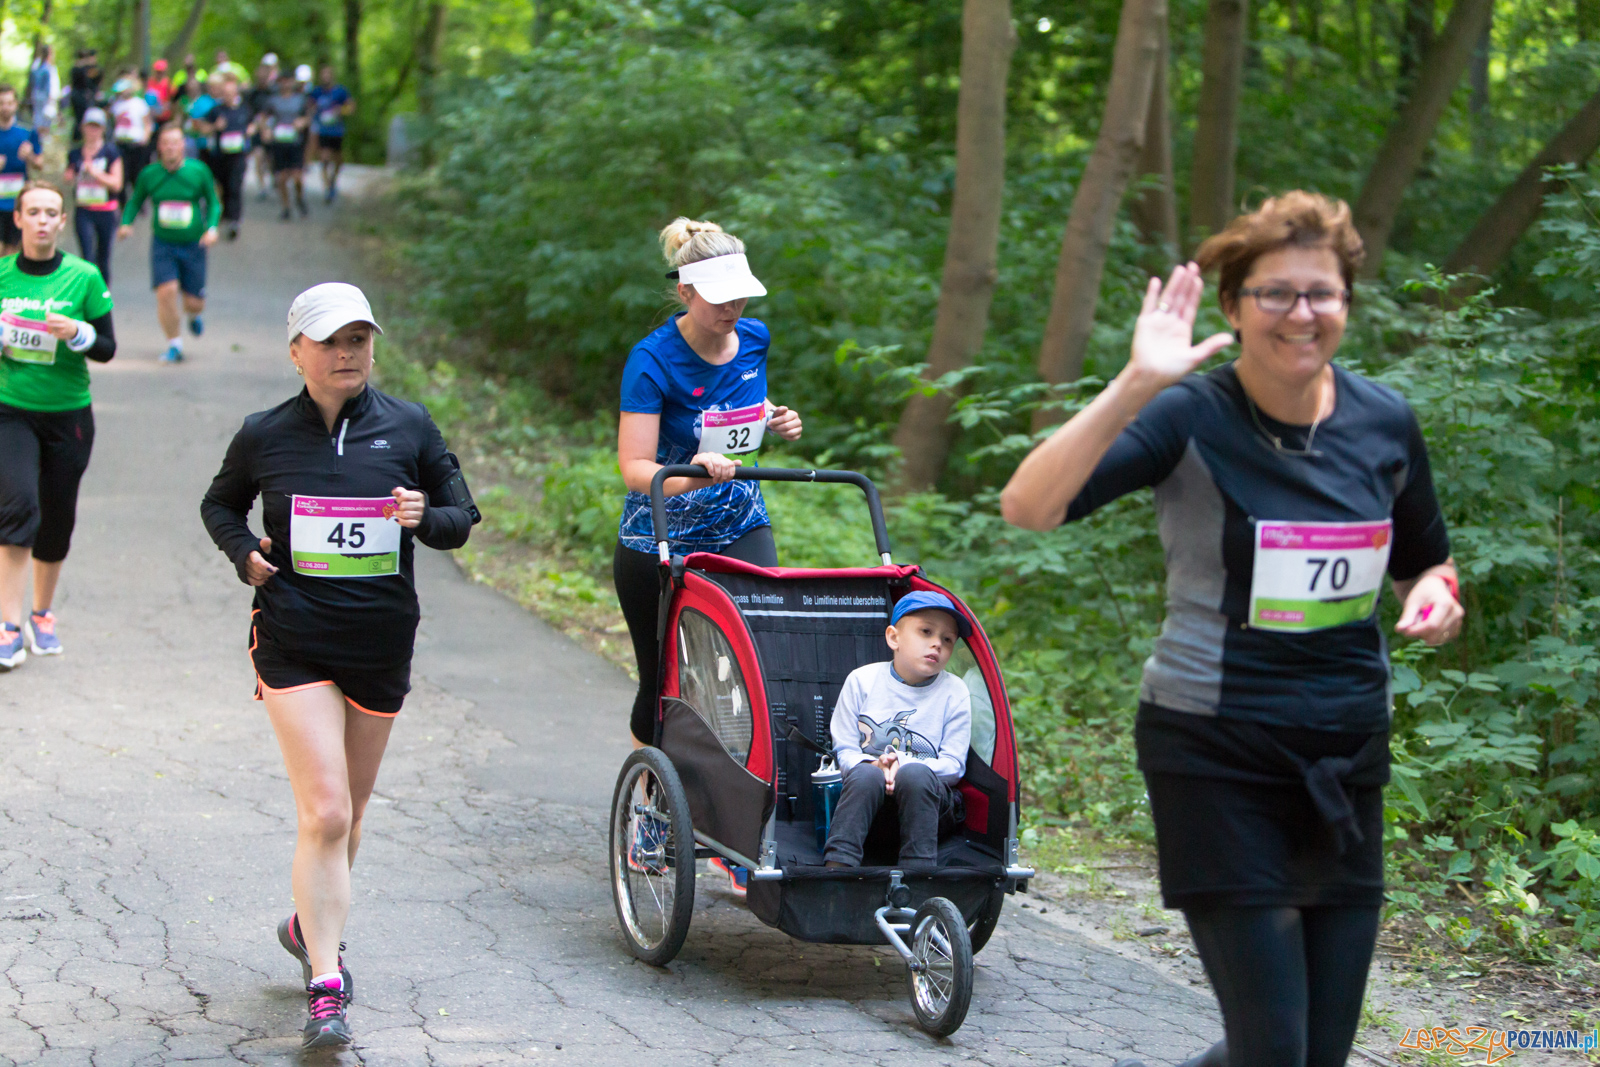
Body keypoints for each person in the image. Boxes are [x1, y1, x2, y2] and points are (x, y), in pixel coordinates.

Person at [1000, 191, 1464, 1067]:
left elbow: (1425, 564)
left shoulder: (1385, 421)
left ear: (1347, 303)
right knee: (1275, 1048)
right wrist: (1138, 382)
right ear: (1233, 306)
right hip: (1214, 747)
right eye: (1276, 293)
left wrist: (1436, 598)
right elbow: (1029, 505)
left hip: (1345, 750)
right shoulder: (1192, 414)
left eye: (1321, 293)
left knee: (1316, 1053)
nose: (1301, 313)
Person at [200, 282, 476, 1048]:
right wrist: (243, 552)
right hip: (294, 639)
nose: (348, 352)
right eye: (331, 340)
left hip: (380, 643)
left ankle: (307, 921)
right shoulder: (264, 434)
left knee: (347, 815)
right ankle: (327, 983)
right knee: (324, 811)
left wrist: (425, 516)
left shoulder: (409, 426)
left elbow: (461, 517)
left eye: (359, 338)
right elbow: (220, 505)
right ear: (297, 352)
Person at [613, 218, 802, 887]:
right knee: (665, 683)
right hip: (660, 534)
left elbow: (741, 410)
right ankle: (652, 814)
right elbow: (634, 467)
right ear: (686, 291)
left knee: (755, 674)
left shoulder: (755, 337)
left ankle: (743, 831)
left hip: (741, 522)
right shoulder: (652, 358)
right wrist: (695, 470)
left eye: (741, 295)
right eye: (720, 297)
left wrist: (775, 415)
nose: (733, 309)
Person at [0, 182, 117, 668]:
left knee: (56, 514)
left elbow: (107, 347)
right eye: (34, 212)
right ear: (19, 219)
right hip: (10, 410)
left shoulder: (83, 277)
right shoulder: (2, 275)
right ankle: (8, 625)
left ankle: (41, 614)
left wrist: (78, 333)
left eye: (51, 213)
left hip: (69, 414)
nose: (43, 220)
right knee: (18, 506)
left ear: (63, 221)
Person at [822, 591, 972, 869]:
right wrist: (876, 765)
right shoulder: (861, 681)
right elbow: (844, 751)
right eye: (926, 632)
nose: (937, 643)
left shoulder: (955, 691)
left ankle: (918, 872)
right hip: (868, 808)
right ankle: (838, 868)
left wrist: (901, 764)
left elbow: (953, 766)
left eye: (947, 639)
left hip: (929, 812)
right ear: (894, 638)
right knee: (865, 774)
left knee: (915, 774)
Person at [118, 123, 220, 363]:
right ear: (159, 147)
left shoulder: (198, 171)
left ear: (183, 145)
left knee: (193, 303)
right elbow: (135, 200)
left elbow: (213, 202)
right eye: (166, 143)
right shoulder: (149, 174)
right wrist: (126, 223)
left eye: (175, 142)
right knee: (166, 291)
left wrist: (212, 228)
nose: (171, 147)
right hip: (163, 243)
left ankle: (194, 315)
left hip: (193, 244)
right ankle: (174, 344)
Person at [64, 109, 123, 283]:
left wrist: (95, 173)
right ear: (83, 127)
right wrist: (70, 176)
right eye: (90, 126)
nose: (93, 131)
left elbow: (117, 183)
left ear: (103, 129)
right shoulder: (75, 154)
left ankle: (103, 293)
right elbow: (68, 177)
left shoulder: (111, 152)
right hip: (84, 209)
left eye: (96, 127)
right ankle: (88, 292)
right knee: (87, 257)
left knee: (103, 257)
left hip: (106, 210)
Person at [202, 74, 252, 240]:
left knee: (235, 186)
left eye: (230, 93)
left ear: (236, 93)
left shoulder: (244, 109)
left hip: (238, 155)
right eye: (225, 93)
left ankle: (234, 221)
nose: (227, 96)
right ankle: (223, 213)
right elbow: (202, 127)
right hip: (219, 156)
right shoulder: (216, 110)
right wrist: (214, 126)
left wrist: (251, 129)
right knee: (221, 186)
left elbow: (254, 122)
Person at [256, 73, 311, 221]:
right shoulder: (272, 100)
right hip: (279, 142)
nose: (286, 84)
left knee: (297, 177)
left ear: (292, 82)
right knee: (281, 177)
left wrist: (302, 122)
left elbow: (308, 117)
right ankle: (286, 207)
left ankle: (299, 198)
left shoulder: (300, 99)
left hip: (295, 142)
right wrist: (265, 130)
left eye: (288, 81)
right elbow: (262, 118)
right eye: (283, 81)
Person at [0, 86, 41, 256]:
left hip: (18, 200)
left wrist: (29, 156)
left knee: (13, 250)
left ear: (16, 104)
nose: (5, 107)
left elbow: (39, 164)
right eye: (1, 103)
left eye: (9, 103)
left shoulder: (27, 131)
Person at [306, 66, 352, 203]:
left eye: (328, 74)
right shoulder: (316, 92)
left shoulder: (341, 91)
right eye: (323, 74)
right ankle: (328, 188)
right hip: (322, 130)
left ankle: (333, 180)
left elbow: (350, 107)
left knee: (338, 160)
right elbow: (308, 107)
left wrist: (341, 110)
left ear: (332, 76)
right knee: (324, 158)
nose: (325, 77)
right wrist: (312, 113)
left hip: (337, 131)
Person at [109, 76, 152, 211]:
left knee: (137, 175)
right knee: (123, 174)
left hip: (136, 144)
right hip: (121, 143)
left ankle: (140, 203)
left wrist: (145, 137)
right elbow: (114, 122)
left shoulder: (139, 103)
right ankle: (122, 204)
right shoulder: (116, 105)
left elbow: (147, 123)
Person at [247, 55, 279, 201]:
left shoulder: (275, 92)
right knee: (258, 157)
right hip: (257, 129)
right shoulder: (252, 93)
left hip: (272, 129)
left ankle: (274, 177)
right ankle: (262, 187)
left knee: (271, 158)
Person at [68, 49, 101, 143]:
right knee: (81, 118)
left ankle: (78, 138)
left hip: (78, 96)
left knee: (79, 118)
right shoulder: (82, 69)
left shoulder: (77, 69)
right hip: (81, 97)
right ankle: (79, 138)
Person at [28, 46, 59, 135]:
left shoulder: (36, 65)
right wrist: (51, 97)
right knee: (46, 118)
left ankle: (37, 135)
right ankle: (42, 136)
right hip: (45, 95)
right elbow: (49, 84)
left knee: (37, 116)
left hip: (36, 94)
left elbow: (32, 81)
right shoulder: (48, 67)